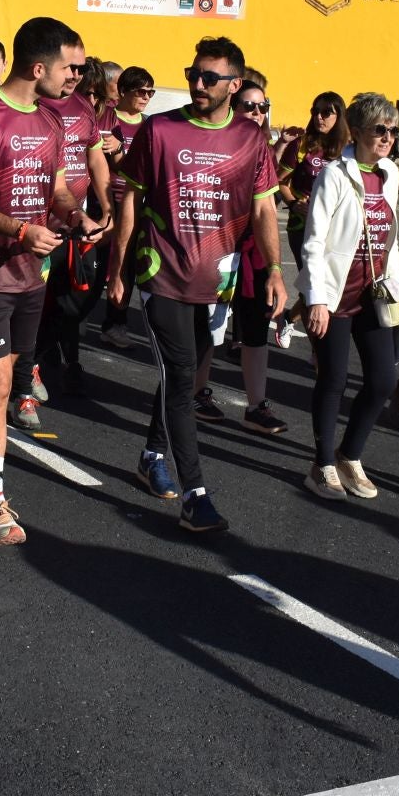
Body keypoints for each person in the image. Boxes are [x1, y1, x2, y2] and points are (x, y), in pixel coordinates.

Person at [108, 36, 285, 533]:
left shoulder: (251, 139)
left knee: (184, 371)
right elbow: (131, 200)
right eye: (192, 74)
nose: (197, 84)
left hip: (215, 280)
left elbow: (266, 207)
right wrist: (118, 269)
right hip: (159, 272)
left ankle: (150, 453)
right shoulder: (160, 130)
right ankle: (196, 495)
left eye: (209, 77)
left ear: (235, 84)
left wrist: (275, 270)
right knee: (184, 374)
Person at [0, 16, 98, 547]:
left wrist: (76, 217)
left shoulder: (53, 122)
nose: (77, 77)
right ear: (39, 67)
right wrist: (19, 228)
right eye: (70, 68)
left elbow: (55, 189)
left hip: (32, 274)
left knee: (0, 379)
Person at [298, 93, 399, 500]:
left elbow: (389, 238)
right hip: (335, 292)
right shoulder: (333, 174)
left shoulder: (390, 174)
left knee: (382, 380)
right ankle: (322, 464)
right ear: (358, 131)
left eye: (393, 131)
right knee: (334, 379)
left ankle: (350, 456)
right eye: (380, 130)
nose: (387, 138)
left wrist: (398, 285)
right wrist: (317, 299)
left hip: (373, 292)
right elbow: (314, 241)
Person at [192, 78, 289, 435]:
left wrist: (275, 266)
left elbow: (267, 208)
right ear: (233, 106)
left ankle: (256, 406)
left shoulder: (264, 149)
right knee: (208, 326)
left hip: (253, 253)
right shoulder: (218, 142)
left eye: (263, 107)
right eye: (249, 105)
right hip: (218, 248)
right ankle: (198, 393)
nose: (257, 113)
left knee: (255, 328)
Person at [27, 55, 110, 410]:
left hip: (76, 223)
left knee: (76, 301)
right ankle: (23, 379)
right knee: (32, 304)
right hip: (35, 224)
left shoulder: (83, 107)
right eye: (71, 69)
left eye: (81, 71)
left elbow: (95, 159)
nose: (76, 76)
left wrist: (106, 208)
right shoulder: (33, 102)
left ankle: (37, 356)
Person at [97, 65, 155, 349]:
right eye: (140, 91)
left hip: (135, 204)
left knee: (126, 265)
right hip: (104, 201)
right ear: (123, 92)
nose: (146, 97)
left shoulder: (149, 125)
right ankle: (76, 313)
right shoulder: (107, 119)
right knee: (99, 265)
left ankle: (115, 322)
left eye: (150, 92)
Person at [279, 91, 348, 267]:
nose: (319, 117)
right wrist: (294, 204)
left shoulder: (349, 149)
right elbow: (279, 182)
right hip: (303, 226)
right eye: (315, 111)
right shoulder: (301, 144)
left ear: (339, 116)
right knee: (309, 284)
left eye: (326, 112)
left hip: (337, 228)